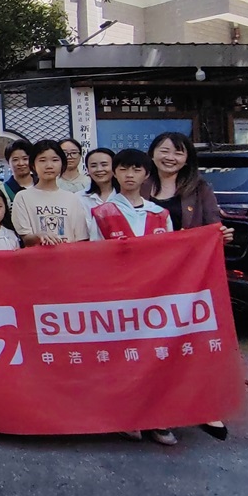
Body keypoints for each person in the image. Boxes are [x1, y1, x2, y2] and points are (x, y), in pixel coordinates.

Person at [145, 131, 233, 443]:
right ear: (152, 153)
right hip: (145, 281)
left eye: (178, 152)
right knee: (152, 346)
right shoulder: (138, 183)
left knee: (192, 342)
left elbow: (212, 226)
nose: (170, 157)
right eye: (164, 150)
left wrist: (220, 236)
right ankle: (155, 412)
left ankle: (202, 407)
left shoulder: (199, 188)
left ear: (186, 159)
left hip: (188, 280)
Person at [86, 149, 176, 447]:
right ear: (115, 173)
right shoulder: (102, 213)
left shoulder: (160, 214)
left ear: (146, 174)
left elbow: (172, 255)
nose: (129, 175)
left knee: (156, 356)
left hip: (155, 298)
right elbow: (94, 257)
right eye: (124, 169)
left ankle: (159, 417)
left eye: (136, 170)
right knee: (125, 356)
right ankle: (128, 417)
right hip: (118, 298)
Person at [11, 140, 90, 246]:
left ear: (62, 164)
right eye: (42, 160)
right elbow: (26, 238)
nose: (49, 165)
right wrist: (39, 236)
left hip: (67, 255)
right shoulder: (22, 197)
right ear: (33, 165)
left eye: (55, 160)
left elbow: (81, 239)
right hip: (37, 256)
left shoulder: (72, 198)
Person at [80, 147, 118, 212]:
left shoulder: (126, 195)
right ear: (87, 169)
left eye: (104, 165)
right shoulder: (79, 198)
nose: (99, 169)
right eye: (93, 166)